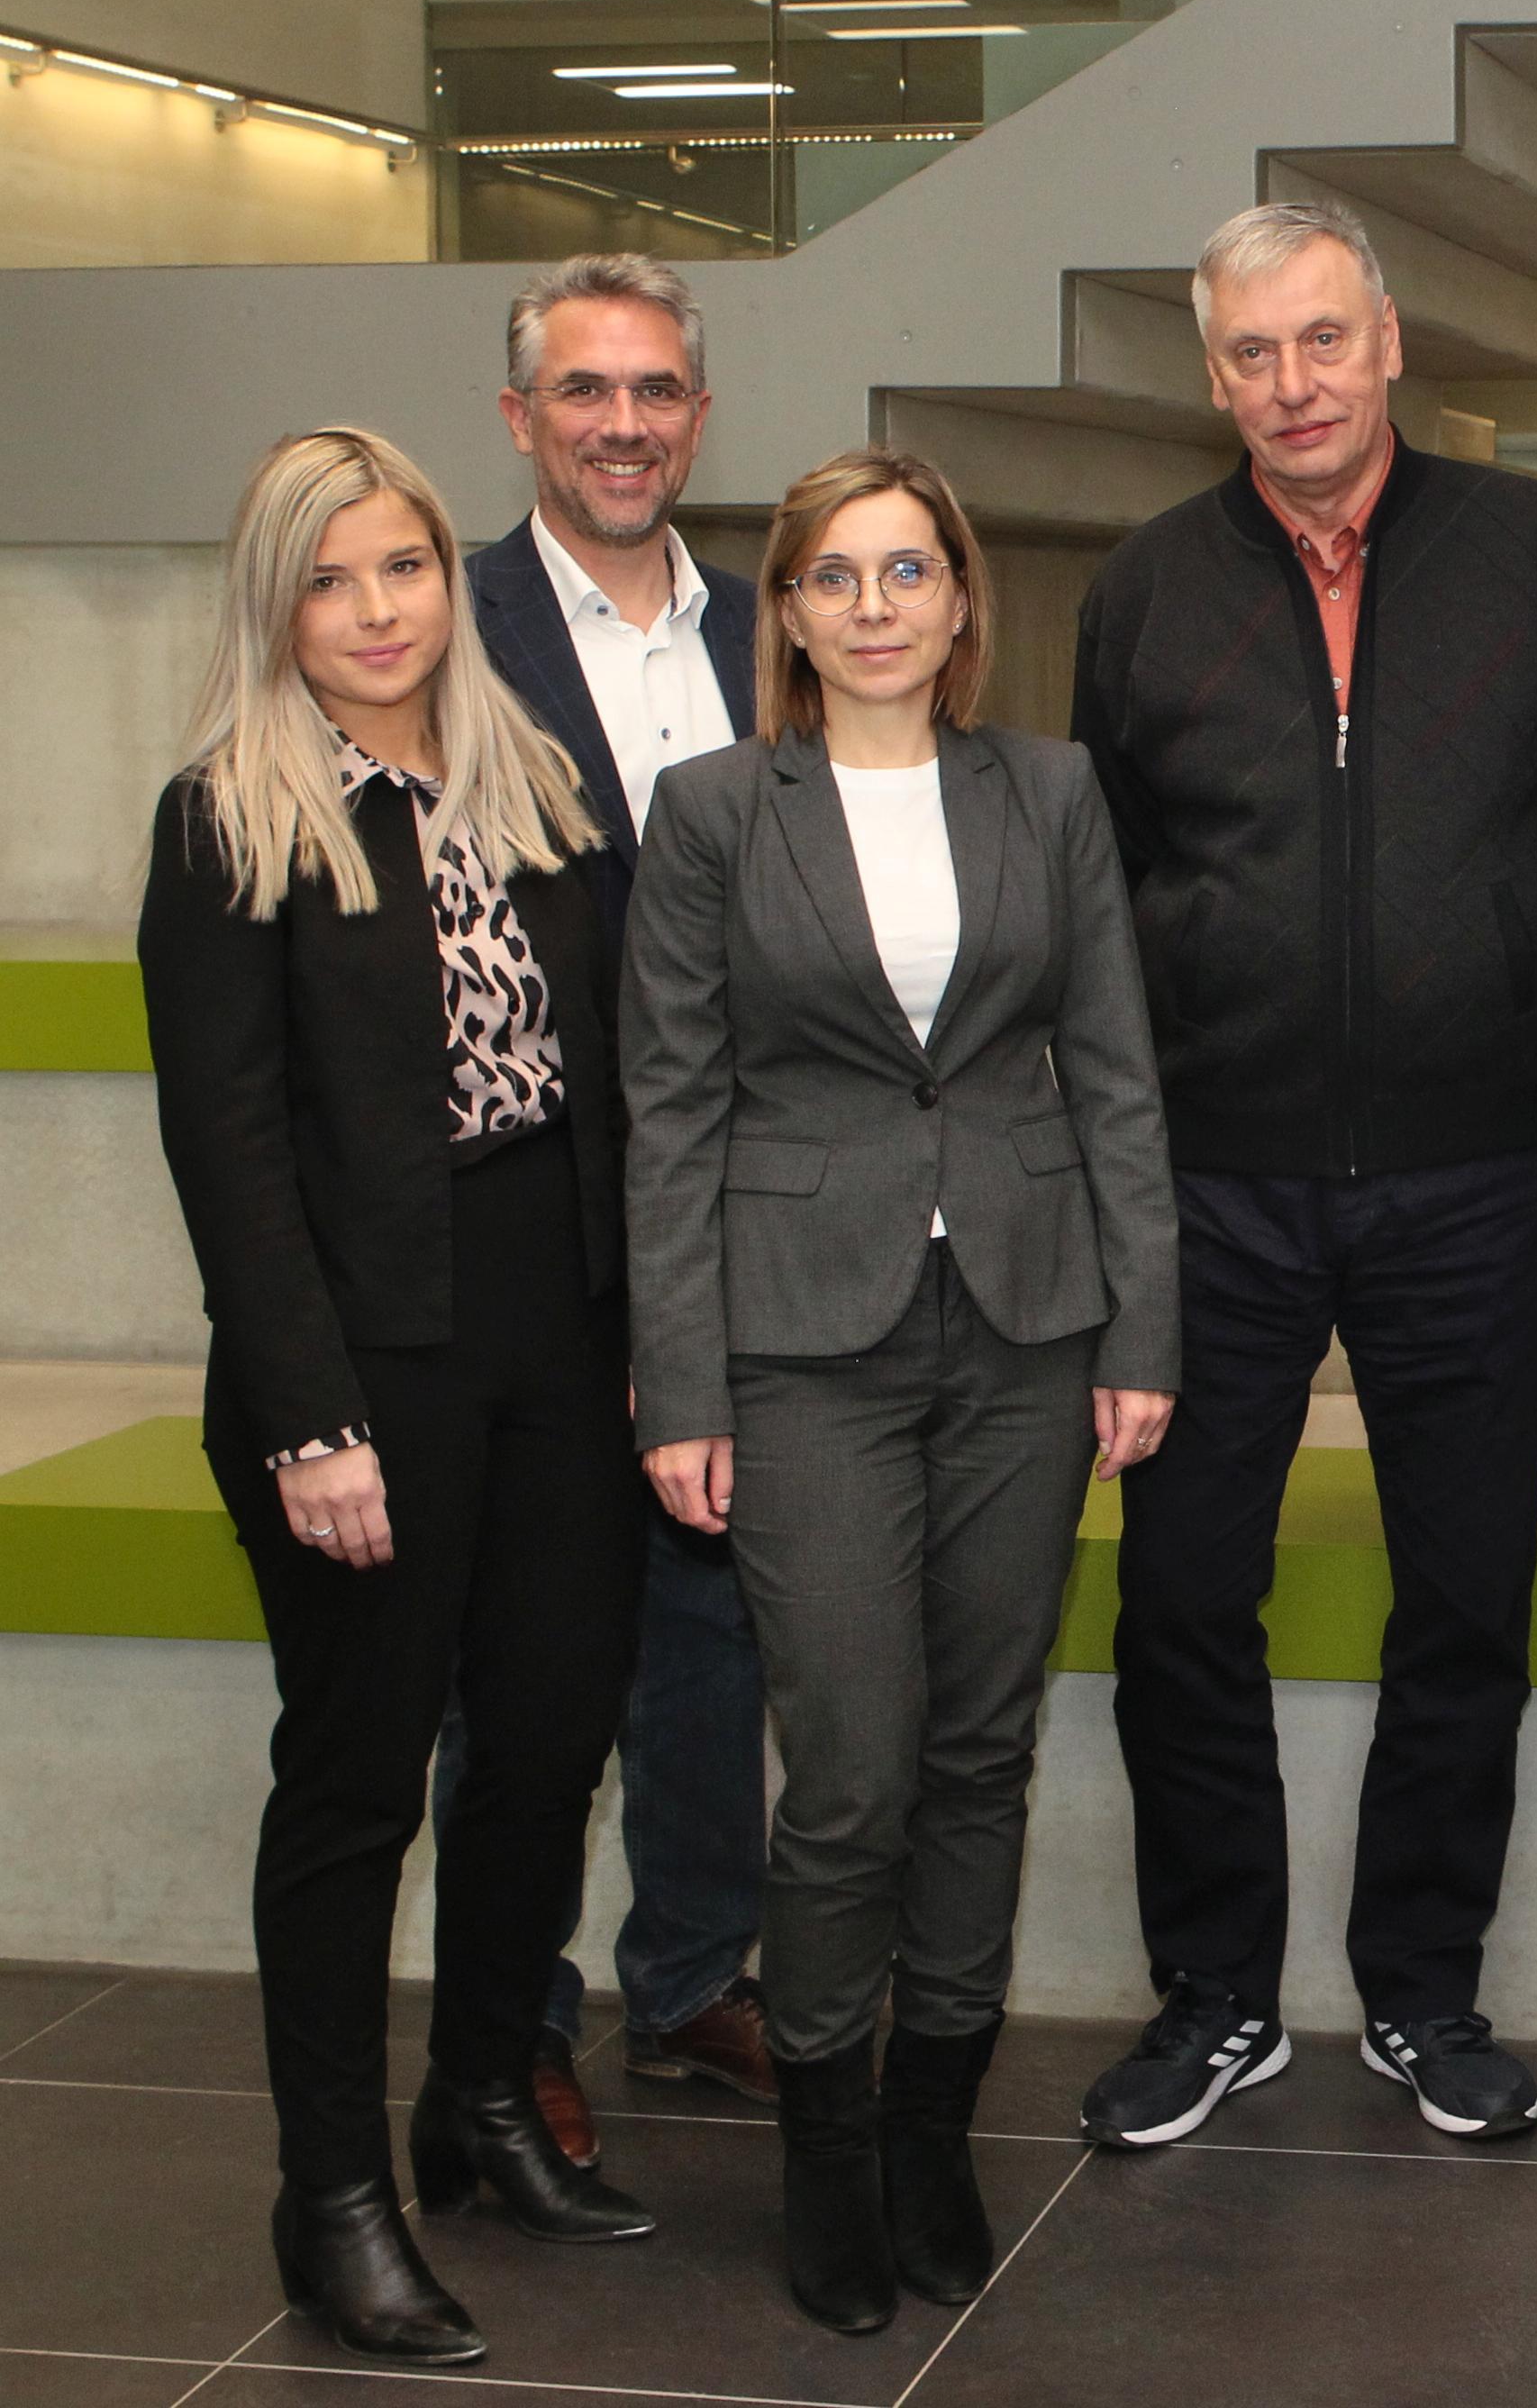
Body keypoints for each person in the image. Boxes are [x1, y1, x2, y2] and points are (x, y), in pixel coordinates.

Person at [1069, 199, 1537, 2150]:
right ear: (1208, 372)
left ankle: (1423, 1988)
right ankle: (1216, 1995)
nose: (1290, 385)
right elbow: (1103, 902)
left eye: (1321, 341)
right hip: (1209, 1186)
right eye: (1249, 354)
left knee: (1463, 1595)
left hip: (1468, 1171)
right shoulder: (1142, 588)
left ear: (1388, 341)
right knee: (1180, 1603)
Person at [623, 447, 1179, 2335]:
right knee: (850, 1765)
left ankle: (937, 2126)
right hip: (797, 1344)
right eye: (834, 576)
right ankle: (830, 2147)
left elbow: (1111, 1070)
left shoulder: (1053, 789)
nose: (873, 604)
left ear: (960, 602)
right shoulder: (710, 812)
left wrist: (1141, 1333)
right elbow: (671, 1109)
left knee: (980, 1751)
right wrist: (678, 1381)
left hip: (1025, 1329)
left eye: (907, 570)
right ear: (782, 612)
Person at [140, 426, 656, 2368]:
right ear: (279, 604)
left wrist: (638, 1333)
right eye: (333, 580)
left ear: (451, 577)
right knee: (358, 1782)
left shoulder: (529, 784)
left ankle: (483, 2103)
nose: (376, 613)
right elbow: (229, 1152)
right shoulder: (231, 818)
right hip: (360, 1354)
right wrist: (307, 1418)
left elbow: (606, 1081)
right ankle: (332, 2193)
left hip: (555, 1321)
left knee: (544, 1735)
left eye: (405, 570)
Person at [441, 251, 773, 2156]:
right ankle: (512, 2016)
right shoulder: (449, 623)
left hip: (738, 1209)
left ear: (698, 416)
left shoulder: (769, 631)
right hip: (539, 1212)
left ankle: (696, 1977)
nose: (623, 423)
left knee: (713, 1614)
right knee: (525, 1636)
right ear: (521, 419)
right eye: (585, 391)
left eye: (654, 391)